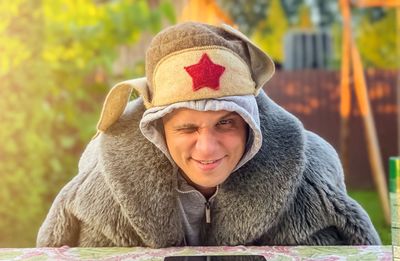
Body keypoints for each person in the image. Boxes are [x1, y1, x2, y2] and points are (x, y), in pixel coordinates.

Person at [37, 22, 380, 247]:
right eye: (187, 127)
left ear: (251, 122)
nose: (207, 146)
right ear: (156, 129)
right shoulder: (102, 181)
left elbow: (365, 246)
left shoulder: (311, 173)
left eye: (225, 123)